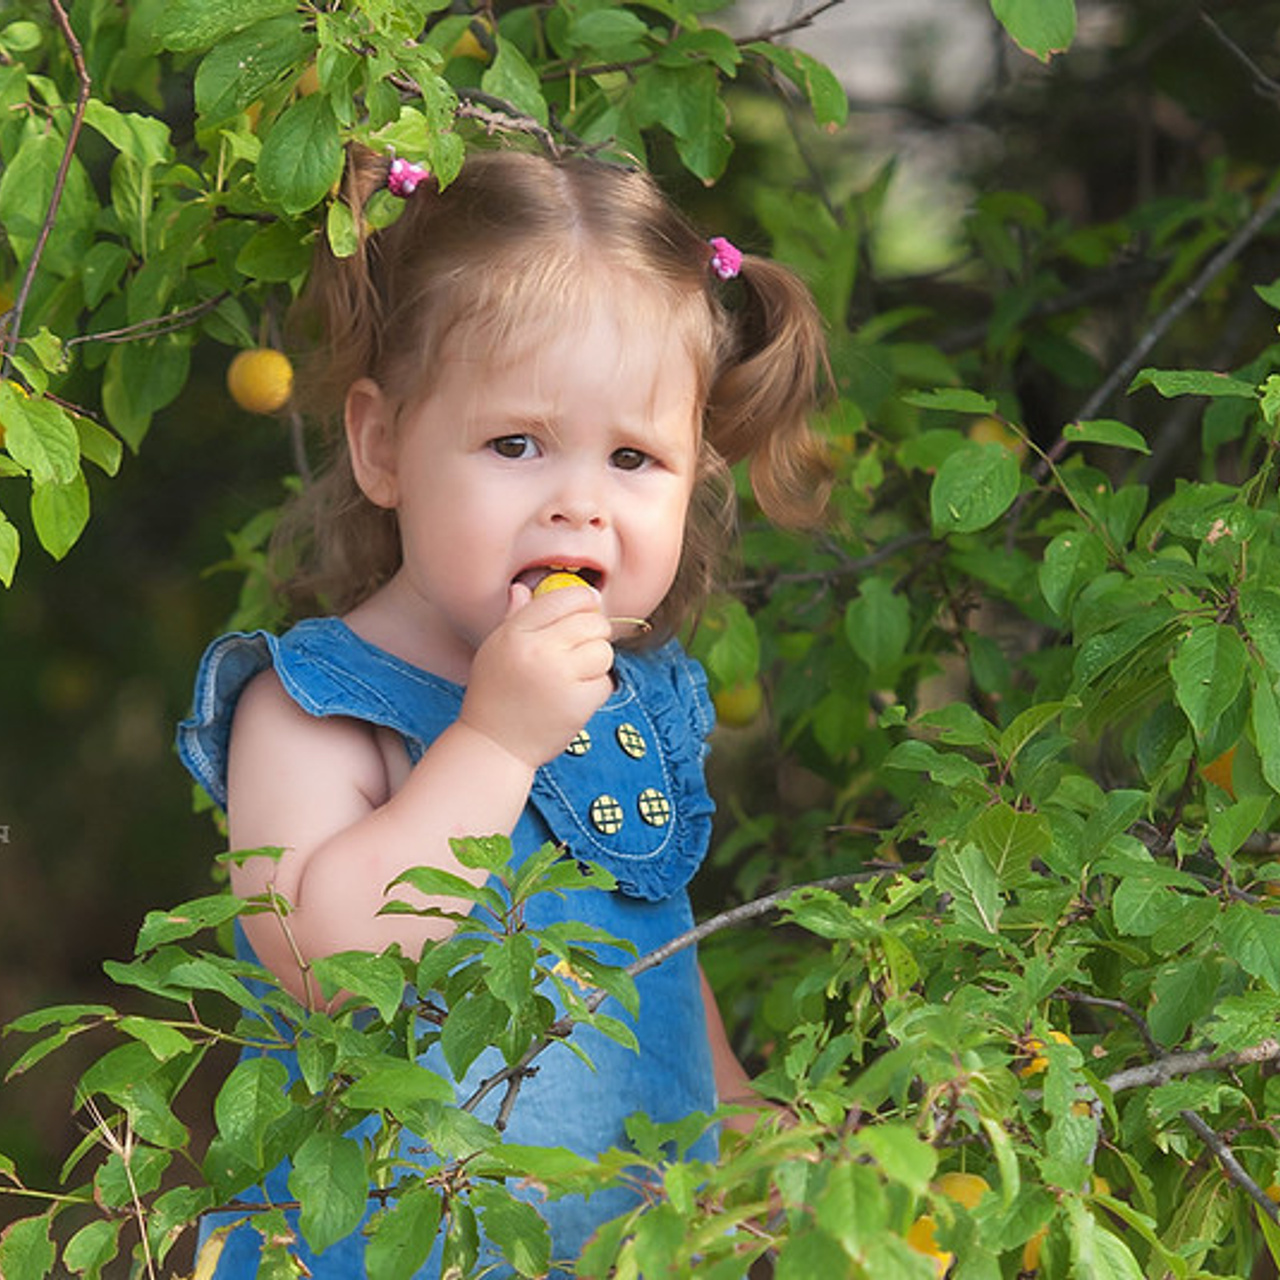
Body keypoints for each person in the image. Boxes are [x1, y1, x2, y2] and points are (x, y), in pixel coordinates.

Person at [178, 144, 830, 1278]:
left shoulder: (636, 700)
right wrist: (492, 740)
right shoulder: (312, 705)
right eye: (514, 444)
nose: (577, 500)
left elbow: (653, 959)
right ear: (383, 444)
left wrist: (738, 1123)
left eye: (633, 457)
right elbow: (330, 963)